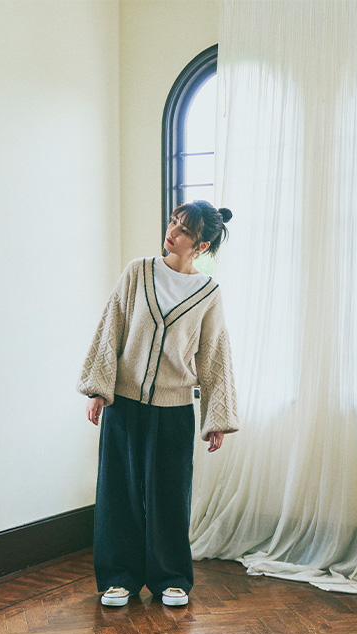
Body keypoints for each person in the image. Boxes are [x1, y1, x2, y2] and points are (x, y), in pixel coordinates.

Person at [77, 200, 239, 608]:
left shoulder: (208, 293)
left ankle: (171, 578)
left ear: (201, 246)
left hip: (174, 410)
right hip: (125, 404)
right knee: (119, 493)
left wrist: (216, 418)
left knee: (170, 496)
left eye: (184, 230)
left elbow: (214, 355)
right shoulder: (138, 272)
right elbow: (111, 327)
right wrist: (99, 388)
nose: (172, 232)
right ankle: (119, 578)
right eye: (173, 222)